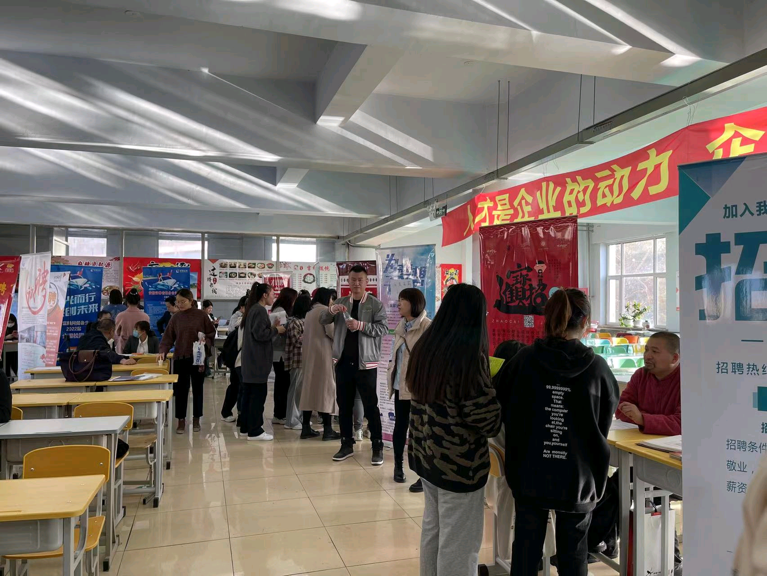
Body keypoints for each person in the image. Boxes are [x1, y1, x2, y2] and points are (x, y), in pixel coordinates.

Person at [496, 288, 619, 576]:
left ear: (547, 318)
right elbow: (604, 419)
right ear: (585, 322)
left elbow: (503, 408)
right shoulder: (597, 369)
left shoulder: (523, 360)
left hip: (529, 472)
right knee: (573, 554)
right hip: (578, 476)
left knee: (526, 548)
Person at [407, 283, 502, 576]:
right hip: (459, 466)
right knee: (459, 543)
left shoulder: (425, 347)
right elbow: (486, 420)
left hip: (426, 457)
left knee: (434, 530)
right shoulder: (468, 357)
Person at [320, 265, 387, 465]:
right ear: (347, 282)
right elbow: (323, 319)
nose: (356, 283)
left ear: (367, 282)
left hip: (366, 363)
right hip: (343, 362)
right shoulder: (341, 302)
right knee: (344, 405)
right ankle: (346, 444)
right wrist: (331, 310)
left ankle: (377, 446)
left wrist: (361, 325)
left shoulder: (375, 304)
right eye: (353, 280)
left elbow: (383, 329)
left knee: (370, 406)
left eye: (360, 280)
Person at [387, 287, 431, 487]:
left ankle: (424, 474)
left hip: (418, 389)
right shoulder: (400, 326)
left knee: (421, 430)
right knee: (400, 426)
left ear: (414, 303)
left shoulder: (427, 327)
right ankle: (398, 466)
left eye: (402, 300)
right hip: (400, 386)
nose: (398, 304)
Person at [158, 288, 216, 434]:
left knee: (198, 389)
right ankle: (181, 420)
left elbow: (211, 332)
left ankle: (196, 419)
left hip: (198, 358)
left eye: (183, 301)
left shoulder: (201, 315)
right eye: (178, 302)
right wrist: (163, 351)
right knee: (181, 390)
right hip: (180, 357)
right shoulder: (176, 318)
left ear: (191, 301)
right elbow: (168, 337)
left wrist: (206, 341)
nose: (180, 304)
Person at [240, 282, 284, 441]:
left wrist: (271, 327)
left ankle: (245, 427)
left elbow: (257, 331)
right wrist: (276, 330)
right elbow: (260, 334)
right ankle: (255, 431)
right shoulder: (259, 310)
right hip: (257, 360)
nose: (274, 297)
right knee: (257, 396)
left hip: (251, 360)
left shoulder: (252, 309)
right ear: (264, 295)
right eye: (272, 294)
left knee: (249, 395)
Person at [616, 332, 681, 435]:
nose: (647, 356)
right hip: (638, 439)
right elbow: (621, 409)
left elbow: (682, 424)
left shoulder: (687, 381)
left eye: (655, 351)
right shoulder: (641, 375)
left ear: (674, 358)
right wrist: (646, 420)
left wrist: (642, 418)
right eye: (646, 350)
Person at [299, 287, 341, 441]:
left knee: (309, 390)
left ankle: (305, 428)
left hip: (309, 355)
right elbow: (332, 332)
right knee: (326, 390)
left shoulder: (309, 312)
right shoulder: (325, 311)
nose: (332, 302)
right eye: (331, 298)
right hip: (324, 355)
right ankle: (328, 430)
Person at [284, 295, 319, 436]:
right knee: (295, 391)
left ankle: (299, 418)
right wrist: (310, 335)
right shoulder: (294, 322)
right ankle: (291, 421)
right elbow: (297, 341)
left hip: (307, 360)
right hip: (297, 361)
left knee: (302, 392)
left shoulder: (305, 321)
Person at [270, 287, 298, 424]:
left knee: (282, 383)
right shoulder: (280, 311)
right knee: (282, 384)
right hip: (279, 353)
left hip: (279, 352)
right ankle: (280, 414)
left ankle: (280, 413)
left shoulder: (280, 309)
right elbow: (280, 331)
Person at [221, 295, 248, 423]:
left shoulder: (241, 317)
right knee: (236, 385)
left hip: (238, 356)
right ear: (242, 307)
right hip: (235, 355)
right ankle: (227, 412)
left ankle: (232, 412)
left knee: (237, 385)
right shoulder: (237, 317)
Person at [2, 313, 18, 379]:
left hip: (15, 351)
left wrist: (18, 337)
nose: (10, 324)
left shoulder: (17, 328)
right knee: (6, 363)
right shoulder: (2, 328)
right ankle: (7, 377)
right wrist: (6, 337)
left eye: (11, 322)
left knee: (15, 362)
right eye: (8, 322)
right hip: (4, 352)